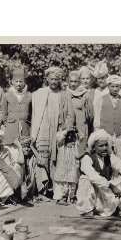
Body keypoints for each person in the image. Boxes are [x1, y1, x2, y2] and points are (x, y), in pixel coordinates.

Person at [31, 66, 74, 198]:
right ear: (47, 79)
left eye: (57, 79)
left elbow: (70, 115)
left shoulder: (65, 94)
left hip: (59, 131)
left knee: (58, 159)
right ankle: (42, 189)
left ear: (60, 80)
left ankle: (57, 190)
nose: (54, 81)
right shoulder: (40, 93)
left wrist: (65, 130)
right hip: (44, 129)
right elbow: (35, 113)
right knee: (42, 156)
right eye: (51, 79)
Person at [76, 129, 121, 217]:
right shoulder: (87, 158)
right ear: (94, 147)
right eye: (101, 146)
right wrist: (111, 185)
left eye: (106, 145)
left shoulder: (110, 157)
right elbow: (92, 176)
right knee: (85, 179)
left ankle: (117, 208)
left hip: (104, 194)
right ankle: (87, 210)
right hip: (94, 193)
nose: (104, 148)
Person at [95, 75, 121, 162]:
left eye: (117, 86)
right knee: (107, 158)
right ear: (108, 86)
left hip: (120, 135)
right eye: (112, 86)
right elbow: (97, 117)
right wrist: (98, 133)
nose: (115, 89)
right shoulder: (101, 99)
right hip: (106, 134)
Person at [66, 70, 93, 156]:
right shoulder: (64, 94)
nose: (73, 84)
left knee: (81, 155)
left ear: (79, 82)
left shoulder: (85, 94)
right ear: (68, 81)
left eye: (76, 81)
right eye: (71, 81)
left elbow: (90, 115)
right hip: (67, 130)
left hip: (81, 130)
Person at [3, 67, 32, 145]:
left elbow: (32, 114)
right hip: (11, 129)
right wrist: (8, 125)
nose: (18, 84)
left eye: (21, 81)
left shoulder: (29, 96)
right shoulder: (6, 96)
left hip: (25, 129)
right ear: (12, 82)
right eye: (16, 81)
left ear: (24, 82)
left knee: (25, 150)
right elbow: (3, 113)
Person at [92, 61, 110, 130]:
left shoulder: (110, 91)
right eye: (98, 78)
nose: (100, 81)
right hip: (97, 126)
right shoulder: (96, 91)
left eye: (102, 78)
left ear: (106, 77)